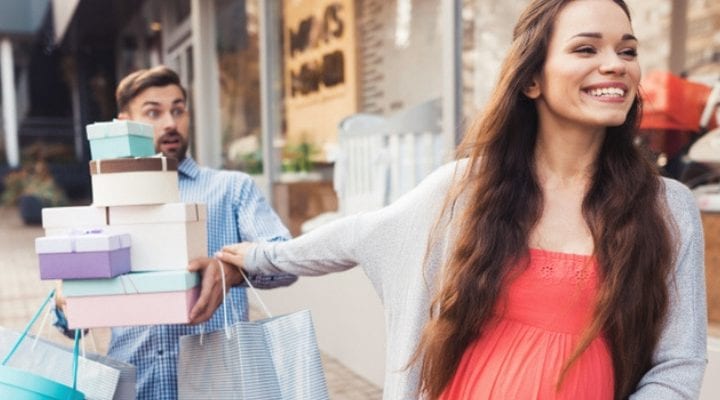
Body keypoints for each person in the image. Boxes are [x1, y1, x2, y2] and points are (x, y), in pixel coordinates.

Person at [195, 0, 708, 399]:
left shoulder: (667, 208)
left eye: (627, 50)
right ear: (531, 77)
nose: (615, 65)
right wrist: (258, 259)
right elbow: (358, 233)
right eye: (586, 49)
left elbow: (680, 360)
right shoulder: (468, 188)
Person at [56, 65, 297, 400]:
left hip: (219, 385)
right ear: (125, 124)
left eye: (178, 110)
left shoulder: (231, 188)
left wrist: (235, 270)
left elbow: (286, 258)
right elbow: (73, 322)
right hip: (135, 384)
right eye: (153, 112)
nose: (170, 123)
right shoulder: (106, 205)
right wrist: (66, 302)